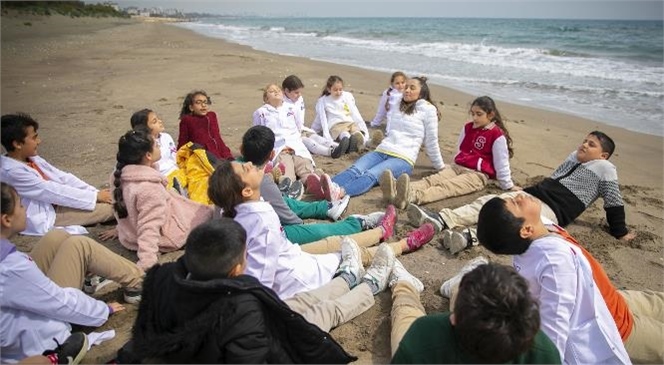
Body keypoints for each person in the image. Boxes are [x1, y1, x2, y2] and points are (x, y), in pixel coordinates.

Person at [129, 218, 397, 363]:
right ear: (236, 270)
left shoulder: (162, 277)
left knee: (296, 303)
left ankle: (346, 278)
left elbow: (143, 334)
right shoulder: (241, 308)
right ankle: (369, 286)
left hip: (213, 338)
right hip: (248, 346)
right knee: (325, 313)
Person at [207, 159, 435, 299]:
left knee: (334, 245)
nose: (248, 164)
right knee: (345, 254)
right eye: (245, 168)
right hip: (296, 277)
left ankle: (381, 233)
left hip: (289, 257)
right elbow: (260, 281)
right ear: (246, 191)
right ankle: (402, 245)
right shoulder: (262, 219)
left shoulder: (238, 211)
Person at [478, 193, 663, 363]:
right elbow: (554, 325)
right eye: (516, 203)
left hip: (613, 299)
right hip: (618, 327)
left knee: (658, 302)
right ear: (526, 230)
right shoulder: (554, 262)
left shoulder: (537, 231)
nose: (519, 196)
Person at [406, 131, 636, 254]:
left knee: (514, 224)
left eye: (592, 144)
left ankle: (468, 238)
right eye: (584, 140)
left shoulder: (606, 169)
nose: (584, 145)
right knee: (492, 202)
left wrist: (620, 232)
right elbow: (552, 181)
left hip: (552, 211)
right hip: (534, 195)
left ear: (604, 155)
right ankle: (441, 220)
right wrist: (523, 191)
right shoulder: (573, 156)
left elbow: (614, 203)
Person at [0, 183, 142, 363]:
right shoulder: (11, 267)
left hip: (19, 323)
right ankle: (139, 281)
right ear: (6, 219)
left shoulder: (10, 263)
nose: (24, 209)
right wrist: (102, 309)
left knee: (55, 237)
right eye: (20, 205)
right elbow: (59, 302)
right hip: (38, 342)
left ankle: (88, 272)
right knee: (79, 245)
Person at [241, 125, 388, 244]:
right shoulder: (261, 181)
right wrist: (301, 227)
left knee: (282, 200)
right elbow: (289, 219)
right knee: (317, 231)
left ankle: (325, 208)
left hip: (240, 225)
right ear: (272, 155)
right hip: (256, 235)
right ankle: (358, 223)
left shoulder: (233, 168)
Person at [390, 261, 561, 364]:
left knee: (406, 314)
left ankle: (404, 283)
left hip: (432, 344)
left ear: (454, 319)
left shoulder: (423, 339)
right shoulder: (541, 354)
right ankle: (457, 284)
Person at [316, 77, 445, 198]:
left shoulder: (428, 110)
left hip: (403, 158)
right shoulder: (398, 105)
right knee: (355, 169)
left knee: (370, 175)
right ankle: (323, 187)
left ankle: (339, 193)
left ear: (422, 93)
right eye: (406, 87)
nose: (407, 90)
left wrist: (440, 167)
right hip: (382, 150)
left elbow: (431, 142)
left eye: (412, 88)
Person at [383, 95, 519, 210]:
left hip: (476, 175)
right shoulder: (468, 128)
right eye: (473, 114)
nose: (475, 118)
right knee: (431, 180)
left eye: (479, 114)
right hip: (457, 167)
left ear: (490, 115)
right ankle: (396, 189)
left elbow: (501, 162)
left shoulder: (496, 135)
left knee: (446, 187)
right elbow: (460, 148)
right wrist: (455, 163)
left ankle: (411, 197)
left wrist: (508, 185)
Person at [112, 129, 212, 271]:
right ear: (148, 155)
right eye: (157, 146)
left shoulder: (119, 176)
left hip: (130, 236)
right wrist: (147, 261)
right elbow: (149, 226)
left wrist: (122, 228)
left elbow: (125, 209)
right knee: (207, 213)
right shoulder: (149, 189)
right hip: (168, 234)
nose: (160, 147)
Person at [0, 113, 114, 236]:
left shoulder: (30, 158)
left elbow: (62, 177)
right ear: (17, 144)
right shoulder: (11, 172)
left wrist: (95, 192)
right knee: (116, 208)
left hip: (58, 201)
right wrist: (95, 197)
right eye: (34, 138)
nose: (39, 141)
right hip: (49, 212)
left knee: (115, 199)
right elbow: (51, 191)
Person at [252, 83, 317, 192]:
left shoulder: (291, 108)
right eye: (272, 91)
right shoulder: (261, 112)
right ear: (266, 98)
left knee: (305, 166)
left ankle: (313, 184)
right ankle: (290, 187)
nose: (276, 92)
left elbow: (298, 126)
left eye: (278, 90)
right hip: (279, 148)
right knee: (287, 171)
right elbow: (258, 133)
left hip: (297, 147)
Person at [282, 75, 349, 158]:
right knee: (309, 142)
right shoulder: (280, 102)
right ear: (286, 91)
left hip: (301, 129)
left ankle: (340, 147)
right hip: (290, 134)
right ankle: (330, 152)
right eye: (296, 92)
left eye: (300, 92)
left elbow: (300, 118)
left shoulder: (299, 99)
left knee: (317, 138)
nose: (299, 95)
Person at [311, 75, 369, 154]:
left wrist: (363, 128)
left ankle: (360, 141)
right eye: (335, 90)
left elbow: (355, 112)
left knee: (356, 132)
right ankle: (347, 142)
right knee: (343, 133)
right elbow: (321, 118)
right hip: (336, 125)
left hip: (349, 122)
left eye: (340, 89)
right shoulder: (324, 101)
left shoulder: (347, 97)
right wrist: (313, 130)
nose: (338, 92)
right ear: (329, 89)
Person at [176, 90, 234, 161]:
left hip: (219, 154)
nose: (203, 105)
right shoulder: (187, 120)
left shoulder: (212, 116)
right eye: (198, 103)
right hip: (201, 158)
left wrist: (227, 155)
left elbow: (218, 139)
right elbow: (183, 142)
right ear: (191, 108)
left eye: (205, 102)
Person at [369, 71, 407, 137]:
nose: (401, 85)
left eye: (402, 82)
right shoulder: (388, 93)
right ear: (392, 84)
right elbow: (382, 110)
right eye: (397, 83)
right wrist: (376, 122)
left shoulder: (408, 92)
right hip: (392, 121)